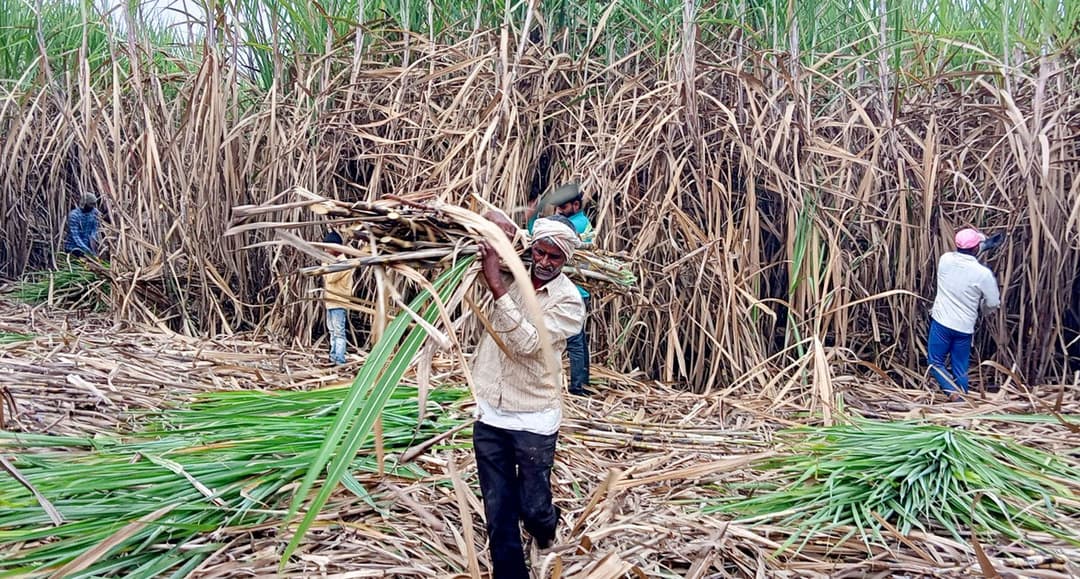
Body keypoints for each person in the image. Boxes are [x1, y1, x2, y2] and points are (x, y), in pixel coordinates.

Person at [471, 216, 585, 579]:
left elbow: (528, 344)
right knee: (498, 509)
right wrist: (494, 229)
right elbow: (493, 233)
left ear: (566, 260)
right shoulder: (513, 269)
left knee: (533, 507)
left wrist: (495, 284)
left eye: (556, 257)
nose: (546, 262)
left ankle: (546, 530)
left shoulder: (569, 304)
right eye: (540, 251)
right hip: (490, 410)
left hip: (533, 417)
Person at [527, 186, 595, 396]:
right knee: (577, 340)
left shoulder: (579, 224)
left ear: (576, 205)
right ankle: (579, 382)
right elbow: (540, 236)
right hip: (566, 289)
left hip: (574, 292)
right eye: (556, 207)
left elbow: (547, 237)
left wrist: (532, 219)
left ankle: (578, 387)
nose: (558, 211)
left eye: (563, 207)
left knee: (574, 341)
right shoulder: (572, 223)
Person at [928, 227, 1001, 400]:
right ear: (977, 248)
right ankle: (962, 400)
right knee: (960, 368)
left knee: (935, 363)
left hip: (942, 323)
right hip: (964, 328)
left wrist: (981, 243)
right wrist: (983, 310)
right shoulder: (983, 274)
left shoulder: (945, 260)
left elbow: (969, 254)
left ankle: (955, 397)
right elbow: (993, 303)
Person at [322, 231, 354, 365]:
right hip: (331, 302)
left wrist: (324, 264)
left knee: (339, 333)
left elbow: (330, 278)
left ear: (335, 248)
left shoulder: (343, 263)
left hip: (338, 303)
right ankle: (333, 357)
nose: (325, 250)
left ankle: (339, 360)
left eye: (327, 247)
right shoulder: (334, 262)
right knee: (333, 331)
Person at [64, 192, 101, 258]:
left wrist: (93, 244)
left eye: (94, 204)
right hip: (73, 248)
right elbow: (75, 236)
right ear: (85, 203)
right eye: (91, 204)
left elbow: (95, 229)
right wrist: (86, 250)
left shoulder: (95, 212)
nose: (93, 206)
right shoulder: (74, 215)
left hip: (87, 247)